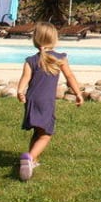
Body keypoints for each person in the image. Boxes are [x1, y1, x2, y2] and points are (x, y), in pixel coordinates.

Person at [16, 22, 84, 181]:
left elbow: (25, 78)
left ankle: (33, 160)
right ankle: (30, 157)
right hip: (46, 102)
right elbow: (70, 77)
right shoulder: (60, 58)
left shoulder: (30, 60)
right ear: (55, 39)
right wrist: (78, 93)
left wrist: (20, 91)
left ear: (35, 39)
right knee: (46, 134)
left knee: (37, 131)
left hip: (32, 100)